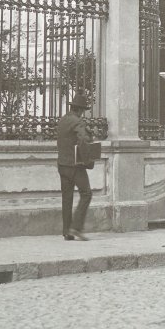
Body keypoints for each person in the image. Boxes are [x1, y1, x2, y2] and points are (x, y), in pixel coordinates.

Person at [56, 94, 93, 241]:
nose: (82, 113)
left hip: (62, 164)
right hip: (75, 166)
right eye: (83, 110)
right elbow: (83, 140)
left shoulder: (63, 120)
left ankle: (67, 231)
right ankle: (76, 228)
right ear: (79, 110)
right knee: (86, 193)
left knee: (67, 197)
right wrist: (87, 160)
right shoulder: (78, 121)